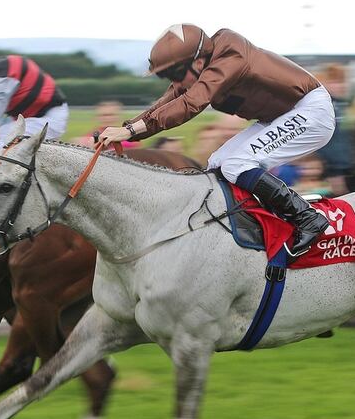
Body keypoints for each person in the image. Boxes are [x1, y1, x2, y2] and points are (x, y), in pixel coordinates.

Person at [98, 24, 333, 259]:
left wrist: (129, 131)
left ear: (198, 61)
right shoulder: (199, 65)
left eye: (176, 74)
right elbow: (165, 103)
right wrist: (126, 130)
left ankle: (307, 218)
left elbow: (191, 103)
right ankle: (248, 222)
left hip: (311, 111)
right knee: (217, 163)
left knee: (237, 165)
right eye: (167, 77)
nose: (175, 82)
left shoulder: (231, 54)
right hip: (279, 116)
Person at [315, 63, 352, 196]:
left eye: (343, 81)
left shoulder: (342, 104)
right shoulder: (325, 105)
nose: (341, 85)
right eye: (335, 81)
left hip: (346, 163)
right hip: (331, 166)